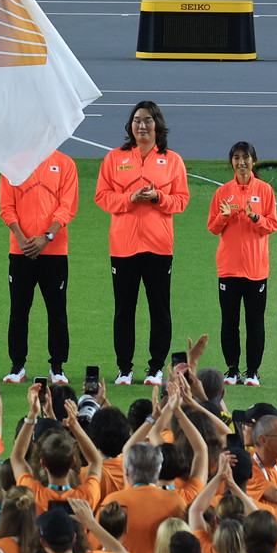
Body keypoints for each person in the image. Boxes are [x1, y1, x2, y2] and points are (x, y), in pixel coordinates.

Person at [94, 100, 190, 385]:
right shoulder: (114, 158)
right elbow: (102, 197)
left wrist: (158, 198)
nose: (142, 125)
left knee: (159, 309)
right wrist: (130, 199)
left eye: (148, 120)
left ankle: (156, 368)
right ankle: (124, 368)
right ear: (130, 126)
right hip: (123, 247)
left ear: (157, 125)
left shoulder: (173, 160)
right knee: (124, 309)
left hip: (159, 247)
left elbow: (182, 201)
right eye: (137, 120)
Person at [0, 149, 79, 385]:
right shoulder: (13, 163)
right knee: (18, 312)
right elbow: (6, 206)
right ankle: (17, 367)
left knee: (57, 312)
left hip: (53, 252)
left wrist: (47, 237)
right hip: (20, 250)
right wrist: (21, 238)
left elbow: (67, 207)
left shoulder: (65, 164)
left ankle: (57, 367)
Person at [209, 139, 277, 386]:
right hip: (228, 269)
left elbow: (272, 225)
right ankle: (232, 370)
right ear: (232, 162)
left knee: (255, 323)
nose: (241, 162)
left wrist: (254, 216)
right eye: (237, 158)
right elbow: (212, 227)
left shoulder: (265, 191)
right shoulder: (222, 192)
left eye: (245, 157)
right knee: (229, 322)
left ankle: (252, 372)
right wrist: (223, 217)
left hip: (256, 270)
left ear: (253, 161)